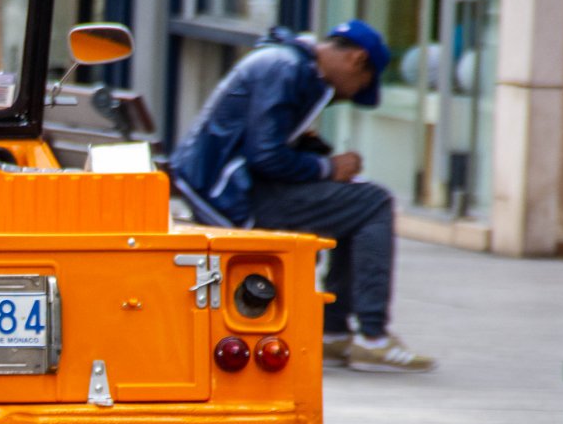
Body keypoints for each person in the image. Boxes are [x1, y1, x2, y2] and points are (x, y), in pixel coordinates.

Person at [169, 20, 435, 373]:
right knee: (374, 203)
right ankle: (373, 337)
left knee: (354, 201)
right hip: (229, 198)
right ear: (356, 61)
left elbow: (260, 145)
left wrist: (312, 152)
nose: (345, 98)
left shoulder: (288, 63)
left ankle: (335, 332)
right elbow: (265, 156)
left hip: (219, 187)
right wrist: (327, 168)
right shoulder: (287, 68)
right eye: (356, 89)